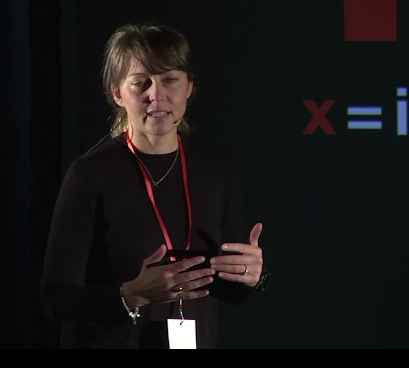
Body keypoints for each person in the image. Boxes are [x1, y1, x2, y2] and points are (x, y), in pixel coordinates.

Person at [41, 21, 270, 349]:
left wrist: (252, 276)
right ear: (117, 93)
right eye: (141, 83)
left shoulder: (218, 167)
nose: (156, 95)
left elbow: (230, 290)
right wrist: (131, 295)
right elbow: (56, 299)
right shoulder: (90, 174)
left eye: (170, 80)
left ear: (189, 87)